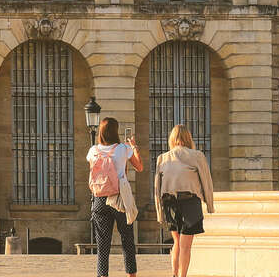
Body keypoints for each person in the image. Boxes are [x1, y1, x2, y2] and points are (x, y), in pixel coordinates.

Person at [154, 125, 215, 277]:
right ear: (189, 138)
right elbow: (206, 181)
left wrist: (159, 211)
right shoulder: (197, 155)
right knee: (186, 246)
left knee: (177, 243)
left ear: (172, 139)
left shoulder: (162, 157)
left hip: (169, 203)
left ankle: (174, 274)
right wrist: (210, 205)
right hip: (189, 202)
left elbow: (157, 188)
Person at [87, 117, 142, 277]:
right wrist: (134, 147)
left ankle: (102, 275)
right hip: (119, 199)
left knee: (102, 243)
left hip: (100, 200)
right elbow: (139, 167)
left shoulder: (93, 150)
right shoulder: (123, 148)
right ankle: (131, 275)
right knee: (127, 239)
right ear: (115, 131)